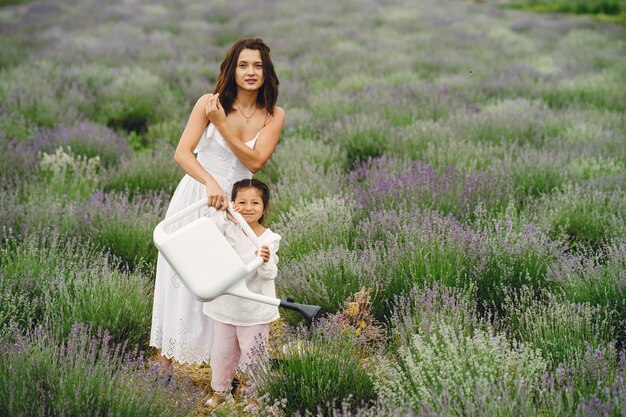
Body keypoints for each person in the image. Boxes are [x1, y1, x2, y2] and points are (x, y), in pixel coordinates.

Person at [150, 38, 285, 367]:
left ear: (266, 71)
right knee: (182, 273)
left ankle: (223, 364)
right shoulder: (207, 103)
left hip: (235, 205)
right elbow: (182, 153)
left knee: (230, 277)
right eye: (243, 65)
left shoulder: (273, 114)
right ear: (232, 69)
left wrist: (222, 124)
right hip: (198, 194)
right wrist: (209, 181)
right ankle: (166, 358)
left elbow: (254, 162)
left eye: (257, 65)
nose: (250, 72)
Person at [203, 178, 281, 407]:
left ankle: (257, 396)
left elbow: (269, 275)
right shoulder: (227, 228)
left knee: (254, 354)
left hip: (253, 308)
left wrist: (265, 260)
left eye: (255, 202)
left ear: (264, 207)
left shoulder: (269, 239)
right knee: (223, 352)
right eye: (242, 202)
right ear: (233, 204)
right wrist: (226, 215)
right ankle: (221, 391)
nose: (248, 207)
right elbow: (209, 234)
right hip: (226, 303)